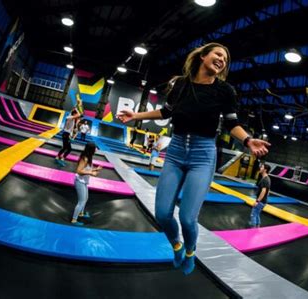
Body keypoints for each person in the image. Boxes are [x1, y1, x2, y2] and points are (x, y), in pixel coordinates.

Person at [118, 42, 270, 275]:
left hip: (203, 154)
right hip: (176, 151)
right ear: (202, 56)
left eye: (225, 59)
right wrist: (136, 114)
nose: (222, 60)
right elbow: (166, 112)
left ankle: (190, 250)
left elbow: (231, 124)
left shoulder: (224, 91)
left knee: (188, 218)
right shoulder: (180, 84)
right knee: (162, 214)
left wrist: (248, 141)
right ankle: (176, 245)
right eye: (218, 54)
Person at [71, 142, 102, 225]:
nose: (96, 150)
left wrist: (95, 169)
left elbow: (86, 169)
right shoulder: (85, 158)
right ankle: (74, 220)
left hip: (84, 182)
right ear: (91, 149)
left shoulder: (89, 157)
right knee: (81, 201)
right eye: (95, 148)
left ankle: (81, 213)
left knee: (86, 198)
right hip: (79, 181)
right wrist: (91, 173)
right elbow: (79, 171)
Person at [249, 164, 271, 228]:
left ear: (265, 170)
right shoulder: (267, 178)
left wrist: (257, 201)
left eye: (262, 167)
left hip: (261, 201)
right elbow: (268, 191)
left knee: (253, 215)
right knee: (257, 214)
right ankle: (258, 227)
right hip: (264, 201)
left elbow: (263, 191)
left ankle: (253, 230)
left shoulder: (265, 179)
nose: (260, 168)